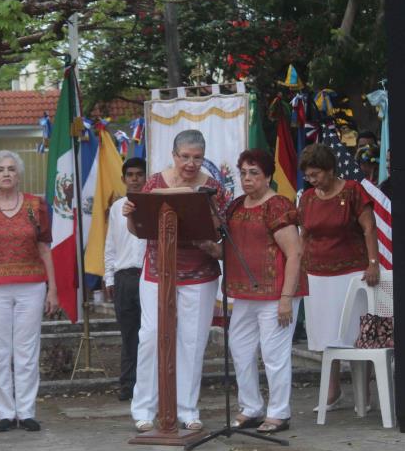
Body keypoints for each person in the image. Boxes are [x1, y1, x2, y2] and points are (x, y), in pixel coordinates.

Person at [123, 129, 227, 432]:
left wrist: (212, 227)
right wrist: (131, 214)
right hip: (159, 268)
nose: (190, 164)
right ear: (174, 155)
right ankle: (144, 409)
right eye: (185, 157)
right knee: (152, 335)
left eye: (196, 158)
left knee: (192, 342)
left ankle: (187, 409)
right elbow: (138, 228)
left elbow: (221, 228)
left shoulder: (212, 187)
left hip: (199, 272)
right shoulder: (154, 182)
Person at [204, 149, 306, 434]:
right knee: (240, 349)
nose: (247, 179)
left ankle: (279, 413)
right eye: (244, 173)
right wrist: (211, 249)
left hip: (276, 293)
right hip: (245, 293)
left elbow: (295, 253)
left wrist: (286, 298)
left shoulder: (278, 205)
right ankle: (250, 407)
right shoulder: (236, 206)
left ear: (268, 176)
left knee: (274, 354)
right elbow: (233, 248)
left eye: (254, 173)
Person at [0, 150, 59, 433]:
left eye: (11, 169)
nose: (6, 174)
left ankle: (26, 411)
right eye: (0, 169)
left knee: (27, 350)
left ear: (19, 173)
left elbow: (44, 247)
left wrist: (53, 289)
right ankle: (4, 411)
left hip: (32, 285)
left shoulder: (35, 206)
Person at [298, 143, 380, 410]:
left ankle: (363, 394)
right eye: (308, 176)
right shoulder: (307, 198)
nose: (312, 181)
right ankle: (332, 392)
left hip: (352, 275)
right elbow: (304, 234)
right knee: (325, 337)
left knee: (356, 336)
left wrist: (373, 263)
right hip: (316, 276)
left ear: (330, 170)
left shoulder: (353, 191)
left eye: (316, 175)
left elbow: (369, 229)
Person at [104, 157, 147, 402]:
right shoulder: (116, 207)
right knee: (129, 333)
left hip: (147, 276)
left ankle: (149, 384)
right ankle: (128, 384)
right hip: (123, 277)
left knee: (149, 334)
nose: (134, 179)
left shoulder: (154, 205)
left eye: (139, 174)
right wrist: (109, 277)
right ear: (123, 179)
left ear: (145, 178)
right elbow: (110, 244)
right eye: (130, 175)